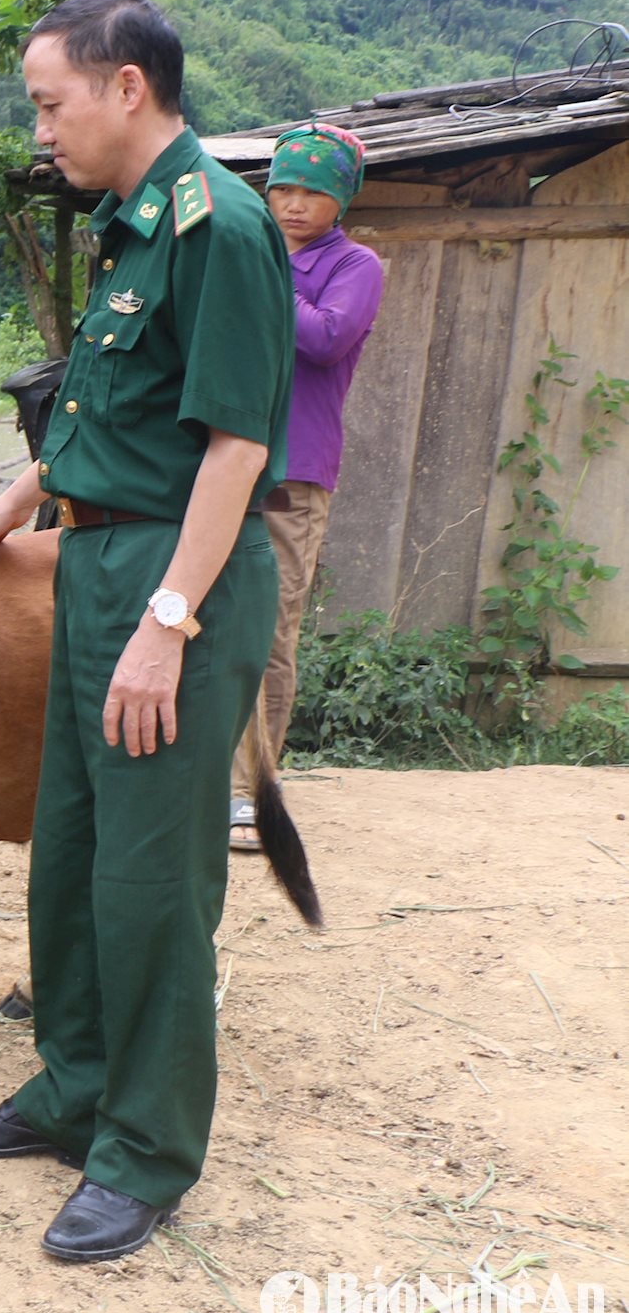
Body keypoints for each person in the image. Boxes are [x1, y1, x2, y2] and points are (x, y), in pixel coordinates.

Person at [0, 0, 293, 1262]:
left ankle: (144, 1150)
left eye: (50, 103)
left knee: (150, 881)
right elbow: (108, 397)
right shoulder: (130, 223)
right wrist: (22, 492)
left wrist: (169, 621)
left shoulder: (221, 226)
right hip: (91, 565)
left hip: (168, 581)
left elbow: (235, 445)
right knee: (74, 852)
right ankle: (71, 1089)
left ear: (124, 85)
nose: (42, 130)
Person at [229, 123, 383, 851]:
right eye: (283, 188)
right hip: (222, 463)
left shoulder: (355, 264)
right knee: (198, 617)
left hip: (295, 473)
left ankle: (251, 789)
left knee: (268, 630)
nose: (293, 204)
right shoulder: (253, 251)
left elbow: (325, 337)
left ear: (341, 199)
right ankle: (208, 778)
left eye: (314, 192)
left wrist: (261, 282)